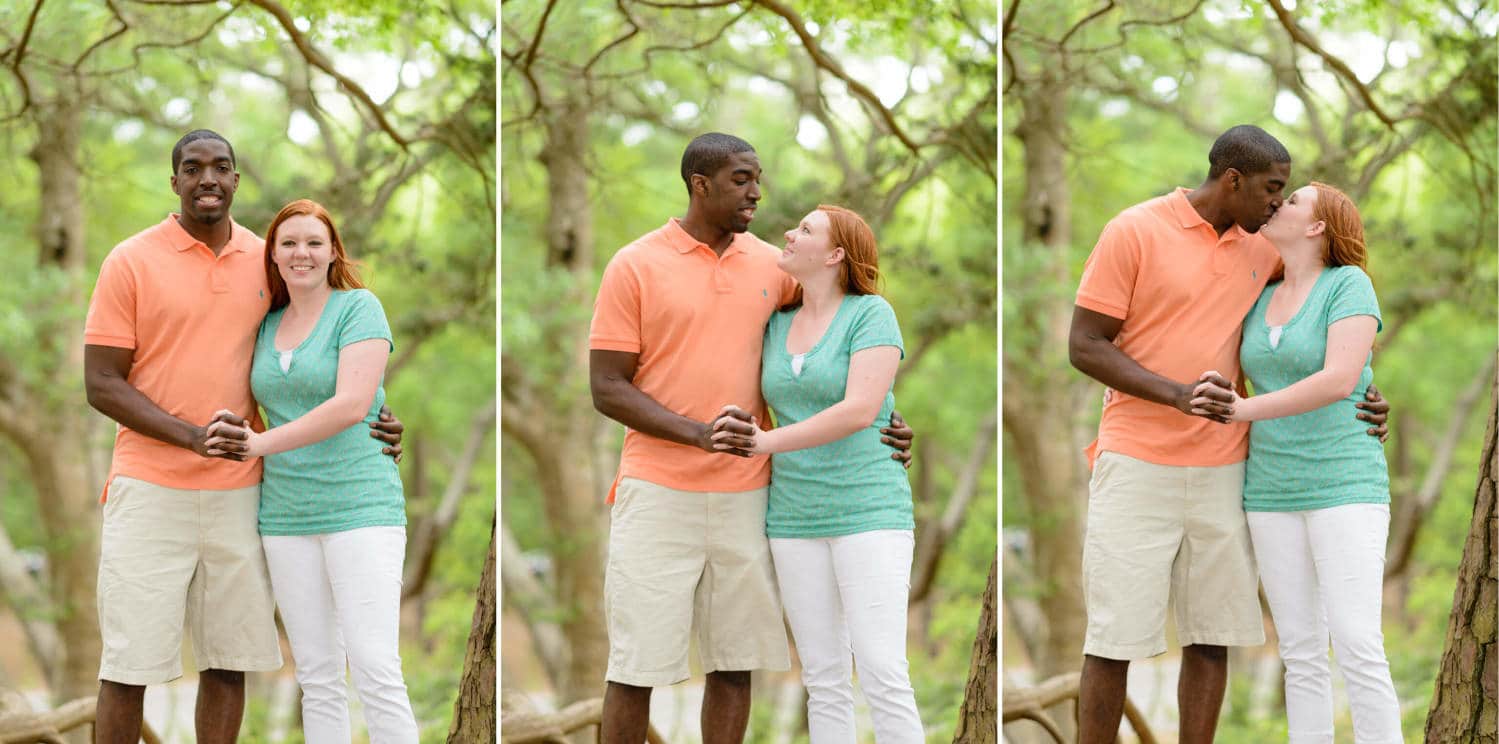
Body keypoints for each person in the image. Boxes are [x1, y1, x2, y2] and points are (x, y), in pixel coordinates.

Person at [1066, 124, 1389, 744]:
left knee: (1211, 636)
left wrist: (1366, 391)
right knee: (1112, 638)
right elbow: (1083, 345)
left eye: (1288, 194)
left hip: (1228, 468)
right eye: (1273, 189)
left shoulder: (1265, 249)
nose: (1279, 202)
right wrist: (1176, 394)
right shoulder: (1133, 230)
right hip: (1135, 460)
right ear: (1232, 180)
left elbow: (1315, 328)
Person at [587, 132, 913, 744]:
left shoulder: (774, 266)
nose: (756, 192)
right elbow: (606, 387)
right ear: (699, 184)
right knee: (634, 667)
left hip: (752, 496)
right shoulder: (634, 264)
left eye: (758, 177)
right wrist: (697, 434)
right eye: (741, 179)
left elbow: (831, 343)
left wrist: (884, 417)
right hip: (656, 491)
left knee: (734, 664)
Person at [82, 129, 403, 744]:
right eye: (193, 167)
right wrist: (190, 436)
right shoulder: (131, 260)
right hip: (149, 488)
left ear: (236, 181)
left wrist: (378, 412)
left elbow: (309, 351)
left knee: (228, 661)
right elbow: (100, 383)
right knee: (128, 665)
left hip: (243, 493)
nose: (209, 178)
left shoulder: (268, 262)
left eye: (222, 167)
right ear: (173, 181)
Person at [1189, 182, 1401, 744]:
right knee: (1301, 649)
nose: (1278, 203)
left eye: (1295, 200)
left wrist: (1243, 410)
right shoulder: (1262, 294)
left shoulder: (1348, 285)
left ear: (1318, 227)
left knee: (1357, 641)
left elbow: (1338, 379)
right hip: (1271, 491)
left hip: (1345, 483)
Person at [204, 199, 417, 742]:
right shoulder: (266, 323)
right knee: (318, 675)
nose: (302, 253)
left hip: (361, 507)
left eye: (314, 243)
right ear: (272, 256)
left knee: (374, 666)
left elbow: (351, 404)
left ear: (332, 253)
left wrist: (258, 445)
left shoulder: (358, 308)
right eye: (289, 243)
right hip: (285, 517)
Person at [709, 205, 923, 742]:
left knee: (881, 670)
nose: (789, 232)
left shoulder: (871, 315)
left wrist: (765, 443)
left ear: (834, 255)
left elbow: (858, 409)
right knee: (824, 677)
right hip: (794, 518)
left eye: (805, 230)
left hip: (869, 510)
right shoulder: (775, 324)